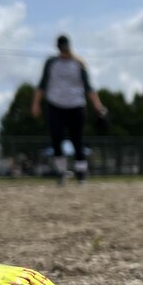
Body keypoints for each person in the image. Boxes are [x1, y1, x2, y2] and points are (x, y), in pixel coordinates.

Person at [32, 35, 108, 185]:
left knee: (77, 140)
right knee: (56, 138)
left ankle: (81, 173)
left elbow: (89, 87)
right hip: (55, 104)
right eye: (62, 48)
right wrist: (35, 103)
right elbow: (42, 85)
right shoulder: (51, 63)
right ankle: (61, 172)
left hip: (76, 105)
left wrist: (98, 106)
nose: (64, 51)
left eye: (65, 48)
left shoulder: (78, 64)